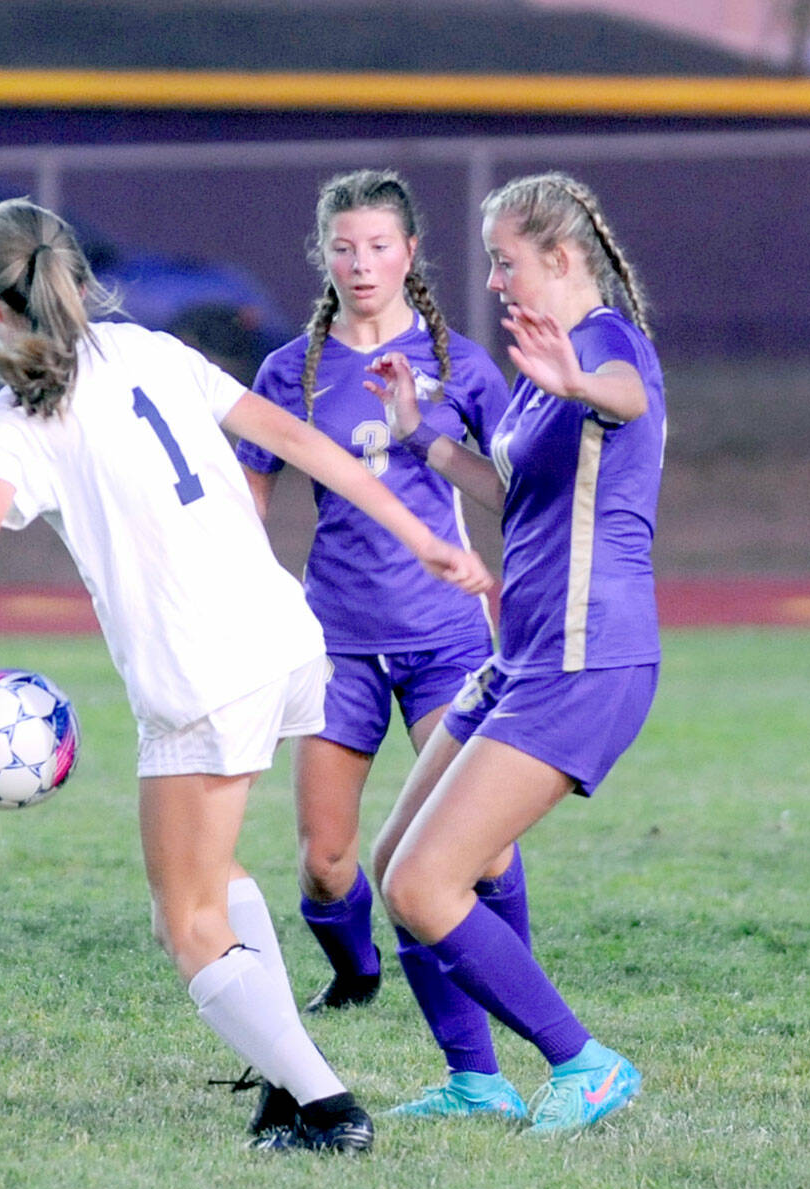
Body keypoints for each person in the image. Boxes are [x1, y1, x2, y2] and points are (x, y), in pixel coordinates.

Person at [0, 197, 493, 1154]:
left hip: (201, 671)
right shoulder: (153, 352)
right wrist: (424, 536)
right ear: (77, 277)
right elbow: (302, 442)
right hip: (286, 636)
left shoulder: (19, 417)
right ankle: (288, 1088)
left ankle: (327, 1108)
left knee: (185, 920)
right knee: (217, 873)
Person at [365, 170, 666, 1136]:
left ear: (562, 258)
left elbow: (626, 395)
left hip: (589, 657)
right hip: (523, 657)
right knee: (394, 866)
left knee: (425, 884)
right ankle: (476, 1080)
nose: (494, 280)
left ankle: (585, 1063)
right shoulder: (544, 379)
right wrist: (420, 438)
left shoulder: (606, 344)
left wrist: (580, 381)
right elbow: (510, 495)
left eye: (506, 261)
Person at [235, 169, 525, 1088]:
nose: (362, 263)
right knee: (326, 863)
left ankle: (509, 994)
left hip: (446, 637)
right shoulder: (290, 370)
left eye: (379, 245)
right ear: (325, 256)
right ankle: (357, 971)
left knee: (483, 846)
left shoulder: (465, 366)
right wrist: (256, 596)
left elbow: (521, 483)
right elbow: (248, 502)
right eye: (345, 247)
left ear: (409, 253)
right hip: (338, 642)